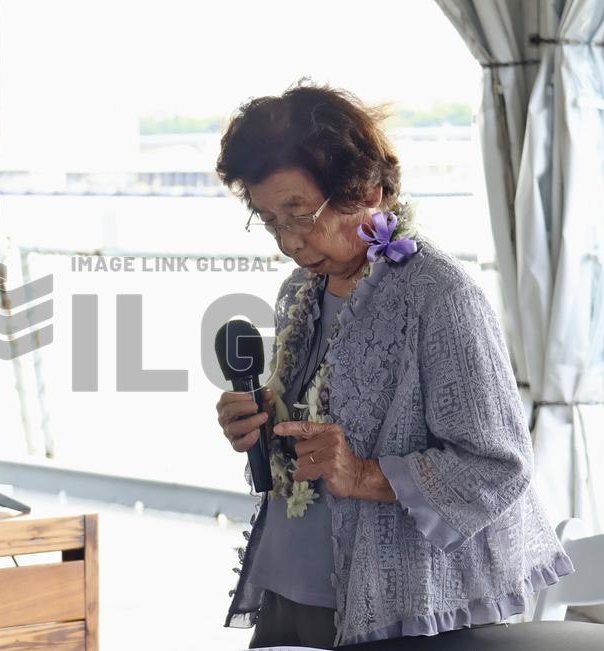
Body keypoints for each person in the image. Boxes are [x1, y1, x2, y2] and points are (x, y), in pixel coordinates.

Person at [214, 82, 573, 648]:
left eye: (300, 213)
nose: (289, 241)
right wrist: (265, 423)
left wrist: (361, 473)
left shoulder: (440, 296)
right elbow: (323, 419)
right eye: (269, 219)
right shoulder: (299, 292)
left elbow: (497, 465)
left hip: (402, 603)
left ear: (369, 190)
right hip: (292, 587)